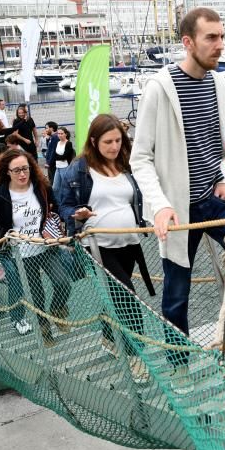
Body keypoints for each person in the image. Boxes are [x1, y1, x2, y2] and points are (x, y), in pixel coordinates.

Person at [130, 6, 225, 382]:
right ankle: (180, 370)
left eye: (222, 37)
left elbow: (215, 142)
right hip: (177, 207)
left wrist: (223, 175)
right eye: (211, 38)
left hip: (214, 197)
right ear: (188, 42)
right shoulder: (159, 88)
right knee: (176, 294)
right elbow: (140, 158)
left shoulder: (219, 84)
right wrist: (161, 206)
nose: (220, 45)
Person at [57, 115, 154, 379]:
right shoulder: (79, 169)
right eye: (108, 141)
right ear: (93, 141)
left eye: (118, 140)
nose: (114, 146)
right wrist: (77, 213)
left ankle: (108, 337)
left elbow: (138, 196)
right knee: (128, 298)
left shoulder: (126, 164)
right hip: (97, 246)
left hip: (129, 243)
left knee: (117, 296)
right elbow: (63, 205)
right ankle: (137, 358)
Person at [0, 149, 68, 343]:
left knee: (62, 282)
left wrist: (67, 220)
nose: (22, 174)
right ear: (7, 171)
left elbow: (57, 207)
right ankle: (45, 331)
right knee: (37, 294)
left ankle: (58, 309)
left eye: (25, 169)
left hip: (46, 246)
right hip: (20, 253)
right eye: (16, 170)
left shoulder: (41, 186)